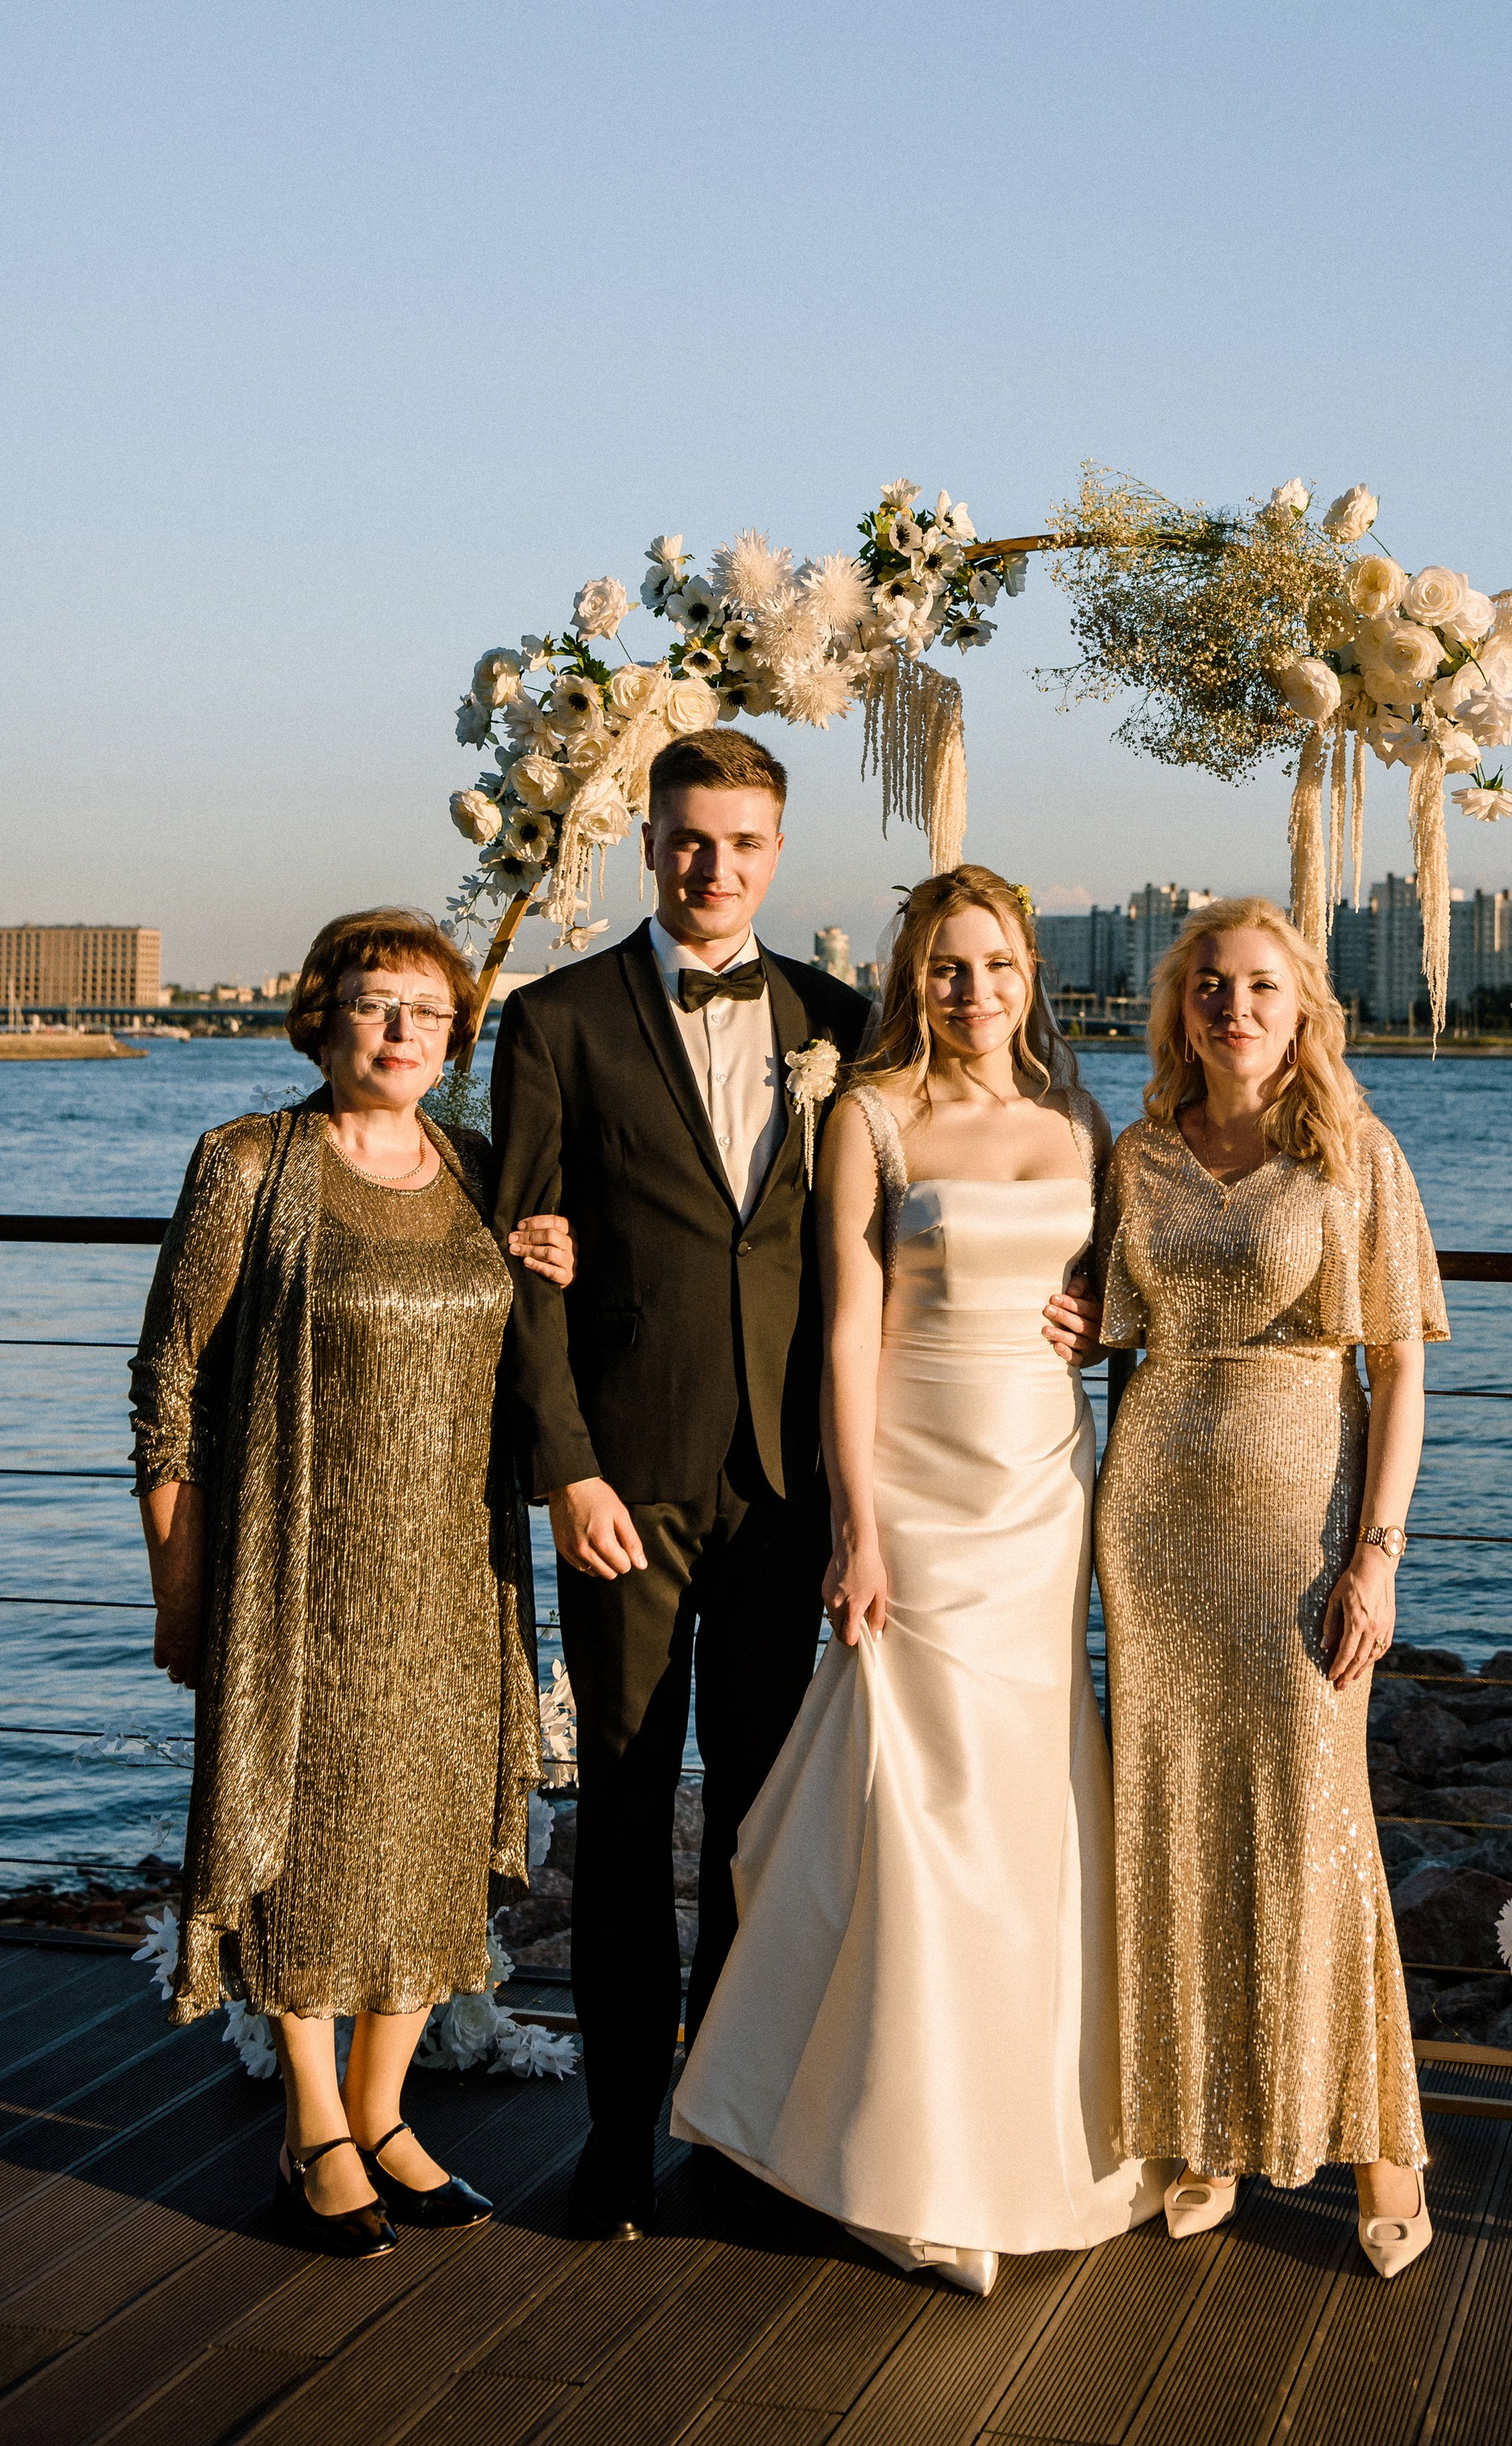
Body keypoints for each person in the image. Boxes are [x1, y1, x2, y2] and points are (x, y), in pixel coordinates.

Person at [672, 866, 1167, 2295]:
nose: (973, 992)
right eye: (946, 969)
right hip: (920, 1479)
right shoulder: (872, 1118)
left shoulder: (1080, 1120)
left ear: (1029, 974)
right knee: (913, 1795)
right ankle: (890, 2146)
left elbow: (1130, 1288)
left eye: (995, 965)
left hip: (1040, 1480)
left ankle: (1013, 2122)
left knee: (1022, 1793)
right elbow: (845, 1324)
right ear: (912, 980)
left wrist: (1098, 1318)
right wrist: (857, 1524)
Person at [130, 908, 577, 2259]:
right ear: (321, 1018)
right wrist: (177, 1584)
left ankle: (384, 2116)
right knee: (308, 1854)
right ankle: (312, 2129)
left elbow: (527, 1369)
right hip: (297, 1575)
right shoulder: (249, 1165)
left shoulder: (478, 1167)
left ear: (455, 1040)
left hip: (457, 1570)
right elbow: (170, 1383)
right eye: (377, 1006)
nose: (401, 1033)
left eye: (429, 1015)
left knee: (433, 1848)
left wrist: (554, 1271)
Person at [489, 728, 869, 2243]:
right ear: (646, 846)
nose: (717, 869)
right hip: (624, 1490)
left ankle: (732, 2117)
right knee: (630, 1810)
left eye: (747, 843)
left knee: (759, 1826)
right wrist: (566, 1468)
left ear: (780, 852)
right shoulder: (557, 1018)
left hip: (790, 1490)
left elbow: (923, 1224)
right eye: (690, 840)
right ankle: (610, 2135)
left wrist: (1071, 1299)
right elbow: (519, 1257)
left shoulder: (842, 1018)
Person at [1092, 897, 1446, 2280]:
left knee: (1318, 1820)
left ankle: (1379, 2142)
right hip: (1156, 1518)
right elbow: (1094, 1318)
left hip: (1305, 1524)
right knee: (1170, 1818)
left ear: (1304, 1011)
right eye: (1210, 988)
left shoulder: (1353, 1153)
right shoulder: (1133, 1157)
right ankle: (1207, 2128)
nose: (1234, 1009)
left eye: (1261, 988)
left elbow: (1404, 1365)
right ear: (1182, 1007)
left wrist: (1379, 1551)